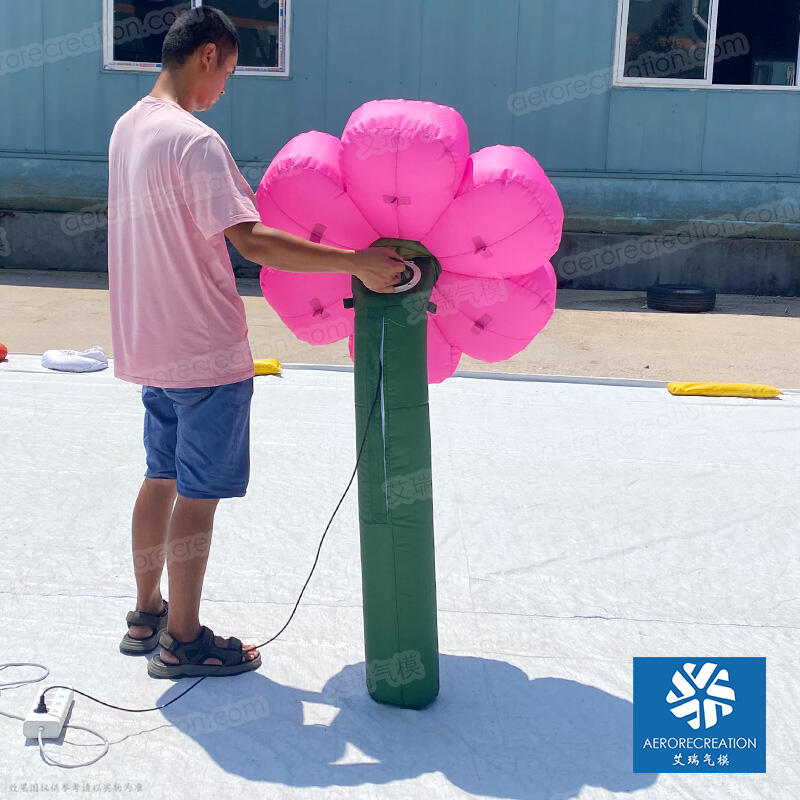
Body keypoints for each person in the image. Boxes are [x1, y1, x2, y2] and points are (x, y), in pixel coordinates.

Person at [108, 6, 404, 678]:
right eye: (228, 74)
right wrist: (356, 261)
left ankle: (145, 613)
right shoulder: (194, 141)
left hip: (151, 343)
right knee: (198, 494)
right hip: (204, 348)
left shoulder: (127, 130)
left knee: (160, 476)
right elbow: (251, 240)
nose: (222, 91)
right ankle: (182, 640)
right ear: (208, 55)